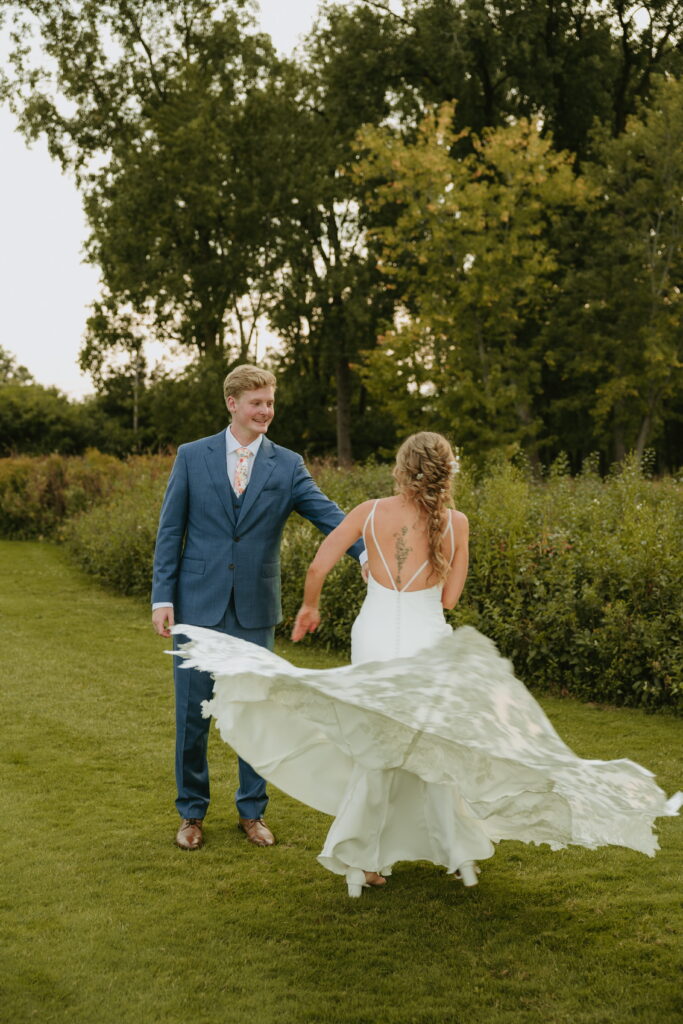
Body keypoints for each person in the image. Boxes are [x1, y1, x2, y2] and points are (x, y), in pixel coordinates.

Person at [172, 432, 681, 896]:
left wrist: (310, 607)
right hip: (424, 639)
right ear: (446, 471)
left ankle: (367, 859)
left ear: (401, 467)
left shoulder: (369, 512)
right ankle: (451, 849)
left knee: (376, 749)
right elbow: (451, 600)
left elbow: (318, 564)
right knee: (434, 747)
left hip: (372, 636)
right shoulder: (456, 524)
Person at [152, 364, 365, 852]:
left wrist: (366, 552)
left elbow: (327, 515)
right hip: (196, 604)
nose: (266, 411)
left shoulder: (287, 464)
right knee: (192, 716)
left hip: (254, 608)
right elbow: (170, 531)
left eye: (270, 403)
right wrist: (162, 597)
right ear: (232, 404)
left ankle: (253, 812)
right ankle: (191, 813)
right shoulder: (191, 456)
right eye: (257, 403)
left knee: (256, 713)